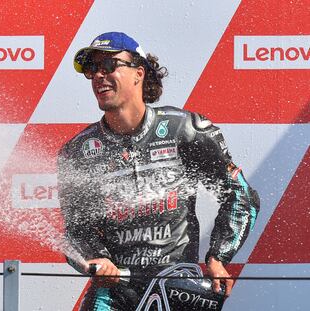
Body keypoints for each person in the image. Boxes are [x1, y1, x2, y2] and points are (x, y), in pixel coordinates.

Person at [57, 32, 259, 310]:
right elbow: (76, 229)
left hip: (178, 285)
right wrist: (97, 258)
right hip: (115, 291)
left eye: (110, 65)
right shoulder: (78, 151)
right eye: (92, 69)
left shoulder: (185, 130)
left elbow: (240, 196)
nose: (99, 76)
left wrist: (218, 257)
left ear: (139, 73)